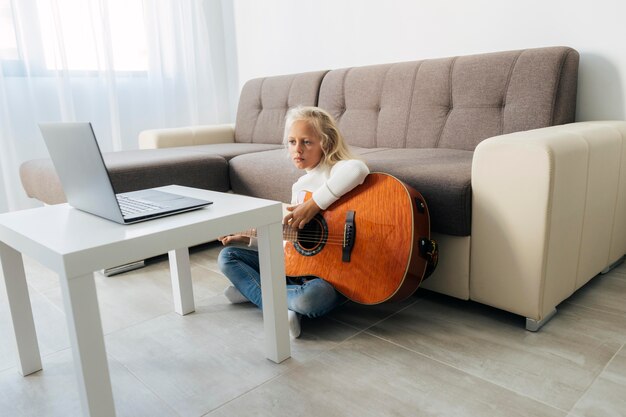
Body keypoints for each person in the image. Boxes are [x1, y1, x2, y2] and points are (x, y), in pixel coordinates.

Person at [217, 106, 369, 338]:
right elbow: (294, 241)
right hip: (297, 268)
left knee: (312, 299)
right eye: (292, 142)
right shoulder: (299, 187)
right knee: (228, 256)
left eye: (307, 142)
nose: (297, 149)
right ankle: (281, 305)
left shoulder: (335, 170)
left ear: (325, 144)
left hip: (329, 278)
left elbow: (358, 169)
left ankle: (254, 292)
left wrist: (314, 204)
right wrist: (250, 239)